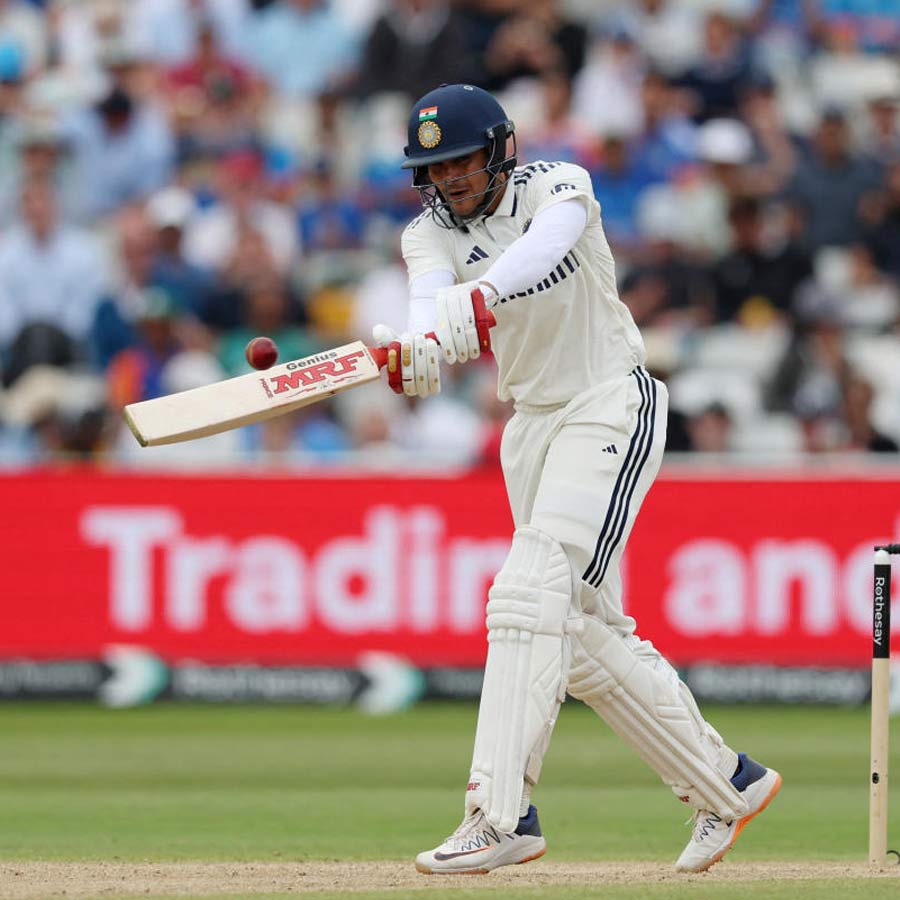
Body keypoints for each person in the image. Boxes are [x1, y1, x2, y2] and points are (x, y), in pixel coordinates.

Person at [373, 83, 782, 876]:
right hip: (530, 430)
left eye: (462, 159)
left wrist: (477, 297)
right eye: (435, 167)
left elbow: (546, 251)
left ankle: (499, 814)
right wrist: (421, 353)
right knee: (581, 635)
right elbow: (431, 311)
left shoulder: (560, 187)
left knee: (526, 596)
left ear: (497, 149)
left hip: (607, 403)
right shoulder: (425, 237)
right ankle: (726, 782)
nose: (451, 178)